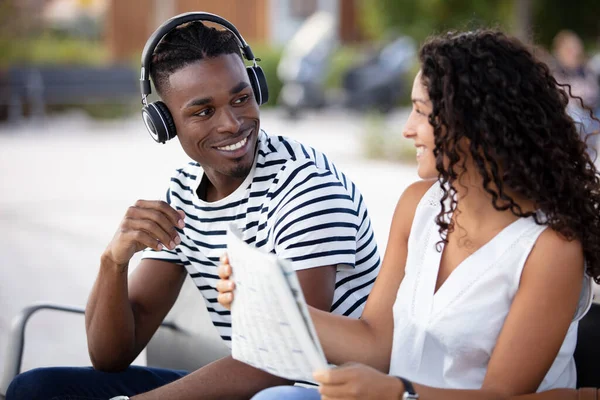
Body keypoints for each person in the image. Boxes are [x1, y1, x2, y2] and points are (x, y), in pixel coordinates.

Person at [6, 14, 381, 400]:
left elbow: (287, 360)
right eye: (203, 111)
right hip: (252, 383)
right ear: (164, 123)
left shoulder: (306, 185)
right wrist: (113, 262)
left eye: (241, 98)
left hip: (321, 389)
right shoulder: (183, 193)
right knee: (38, 389)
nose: (232, 123)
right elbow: (110, 356)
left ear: (257, 89)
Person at [218, 29, 600, 400]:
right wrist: (266, 300)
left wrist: (401, 393)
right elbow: (376, 342)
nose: (407, 129)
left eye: (420, 111)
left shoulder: (551, 249)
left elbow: (501, 394)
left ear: (473, 125)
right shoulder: (419, 204)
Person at [551, 30, 600, 149]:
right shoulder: (556, 76)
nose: (575, 54)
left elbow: (592, 95)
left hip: (592, 129)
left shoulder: (587, 71)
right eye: (570, 51)